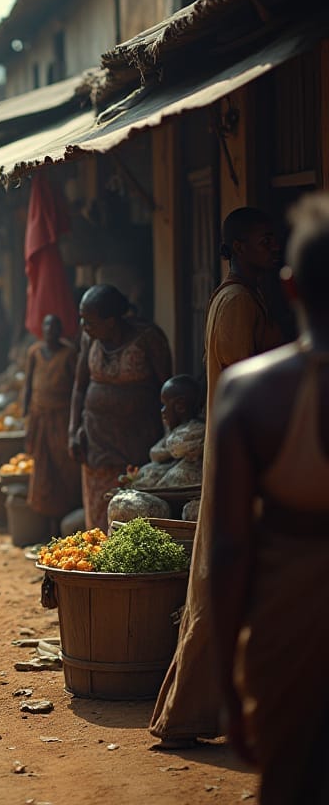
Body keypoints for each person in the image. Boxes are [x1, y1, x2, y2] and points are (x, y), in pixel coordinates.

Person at [208, 192, 329, 800]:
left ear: (293, 289)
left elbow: (228, 549)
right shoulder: (236, 306)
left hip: (289, 619)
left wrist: (229, 685)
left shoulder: (254, 394)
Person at [151, 207, 282, 748]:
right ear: (235, 247)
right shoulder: (234, 303)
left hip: (248, 458)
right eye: (262, 239)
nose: (273, 246)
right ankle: (189, 712)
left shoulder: (247, 298)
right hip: (243, 461)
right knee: (220, 584)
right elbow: (244, 385)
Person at [68, 284, 172, 531]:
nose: (84, 326)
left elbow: (167, 389)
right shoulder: (88, 339)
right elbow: (80, 387)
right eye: (82, 318)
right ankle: (98, 560)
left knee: (133, 507)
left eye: (90, 321)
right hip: (97, 441)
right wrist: (73, 430)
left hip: (138, 441)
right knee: (98, 507)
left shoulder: (148, 338)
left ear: (112, 321)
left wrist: (170, 440)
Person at [22, 314, 79, 531]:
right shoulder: (35, 352)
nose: (50, 331)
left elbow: (77, 388)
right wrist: (26, 415)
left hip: (62, 418)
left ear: (60, 330)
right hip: (39, 418)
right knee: (43, 468)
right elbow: (28, 385)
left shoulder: (69, 354)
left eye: (54, 327)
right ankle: (48, 524)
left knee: (64, 467)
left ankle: (66, 520)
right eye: (46, 326)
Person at [130, 375, 205, 489]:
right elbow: (155, 452)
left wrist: (166, 452)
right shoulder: (175, 431)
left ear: (180, 406)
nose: (162, 411)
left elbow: (174, 447)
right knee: (147, 471)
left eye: (165, 405)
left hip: (188, 482)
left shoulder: (194, 429)